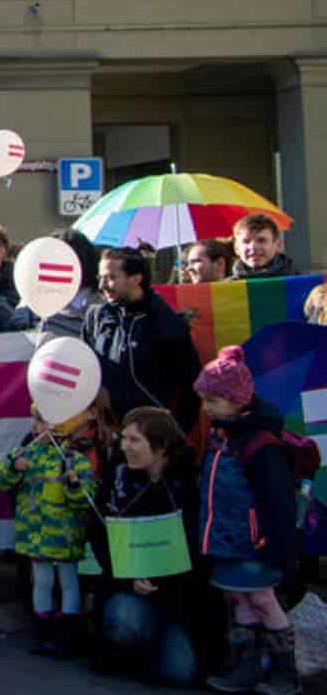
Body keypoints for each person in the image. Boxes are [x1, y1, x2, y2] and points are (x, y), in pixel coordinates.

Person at [194, 346, 300, 695]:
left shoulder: (259, 444)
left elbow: (279, 501)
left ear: (238, 401)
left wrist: (277, 548)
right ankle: (247, 667)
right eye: (205, 400)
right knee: (240, 600)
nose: (206, 408)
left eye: (213, 401)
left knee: (263, 600)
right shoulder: (222, 436)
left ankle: (285, 672)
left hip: (255, 544)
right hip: (229, 540)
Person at [91, 407, 211, 688]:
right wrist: (128, 577)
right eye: (124, 439)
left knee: (180, 673)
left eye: (134, 440)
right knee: (125, 624)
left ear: (162, 447)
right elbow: (99, 535)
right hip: (127, 588)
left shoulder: (190, 485)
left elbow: (198, 548)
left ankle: (158, 645)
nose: (124, 447)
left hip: (179, 596)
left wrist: (166, 581)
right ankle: (125, 646)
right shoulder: (117, 479)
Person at [0, 407, 98, 656]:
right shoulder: (26, 454)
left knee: (69, 584)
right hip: (36, 537)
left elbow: (86, 500)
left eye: (43, 420)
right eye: (36, 420)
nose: (36, 426)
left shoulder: (75, 460)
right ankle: (41, 632)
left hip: (65, 539)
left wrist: (73, 484)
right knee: (41, 582)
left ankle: (66, 634)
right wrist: (13, 467)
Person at [82, 248, 203, 434]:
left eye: (110, 278)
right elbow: (85, 370)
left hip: (150, 436)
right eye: (101, 277)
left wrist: (176, 431)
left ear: (136, 279)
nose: (102, 285)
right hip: (108, 432)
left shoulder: (165, 322)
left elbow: (192, 383)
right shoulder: (97, 317)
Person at [231, 213, 296, 281]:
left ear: (278, 245)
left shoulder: (301, 284)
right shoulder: (226, 288)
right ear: (236, 248)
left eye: (261, 240)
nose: (253, 247)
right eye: (246, 241)